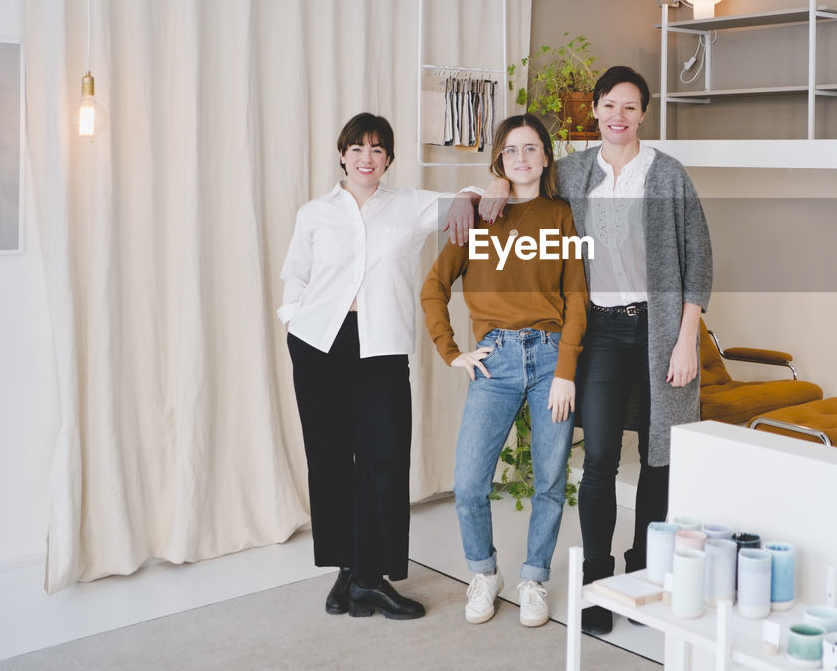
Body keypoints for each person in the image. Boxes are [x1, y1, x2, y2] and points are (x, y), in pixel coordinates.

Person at [481, 65, 713, 635]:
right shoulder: (574, 171)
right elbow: (521, 178)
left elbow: (699, 262)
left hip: (660, 330)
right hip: (602, 332)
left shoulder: (669, 176)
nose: (618, 117)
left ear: (643, 114)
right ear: (596, 110)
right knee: (603, 456)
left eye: (630, 108)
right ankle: (600, 586)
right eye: (609, 106)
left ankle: (647, 577)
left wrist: (688, 339)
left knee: (661, 458)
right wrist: (491, 186)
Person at [278, 112, 480, 620]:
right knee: (328, 459)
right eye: (357, 149)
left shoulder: (409, 206)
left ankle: (371, 576)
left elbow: (470, 199)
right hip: (319, 343)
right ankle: (346, 571)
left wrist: (486, 188)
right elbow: (294, 279)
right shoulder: (315, 214)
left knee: (384, 459)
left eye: (377, 150)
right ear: (342, 154)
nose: (366, 159)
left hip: (381, 346)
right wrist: (294, 325)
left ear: (389, 158)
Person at [420, 113, 588, 628]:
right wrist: (453, 352)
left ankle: (534, 577)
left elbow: (577, 297)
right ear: (499, 158)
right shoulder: (475, 215)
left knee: (550, 479)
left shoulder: (561, 215)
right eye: (511, 150)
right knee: (469, 482)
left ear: (545, 157)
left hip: (550, 356)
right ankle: (484, 573)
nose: (521, 158)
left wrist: (566, 371)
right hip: (495, 362)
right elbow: (433, 289)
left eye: (531, 148)